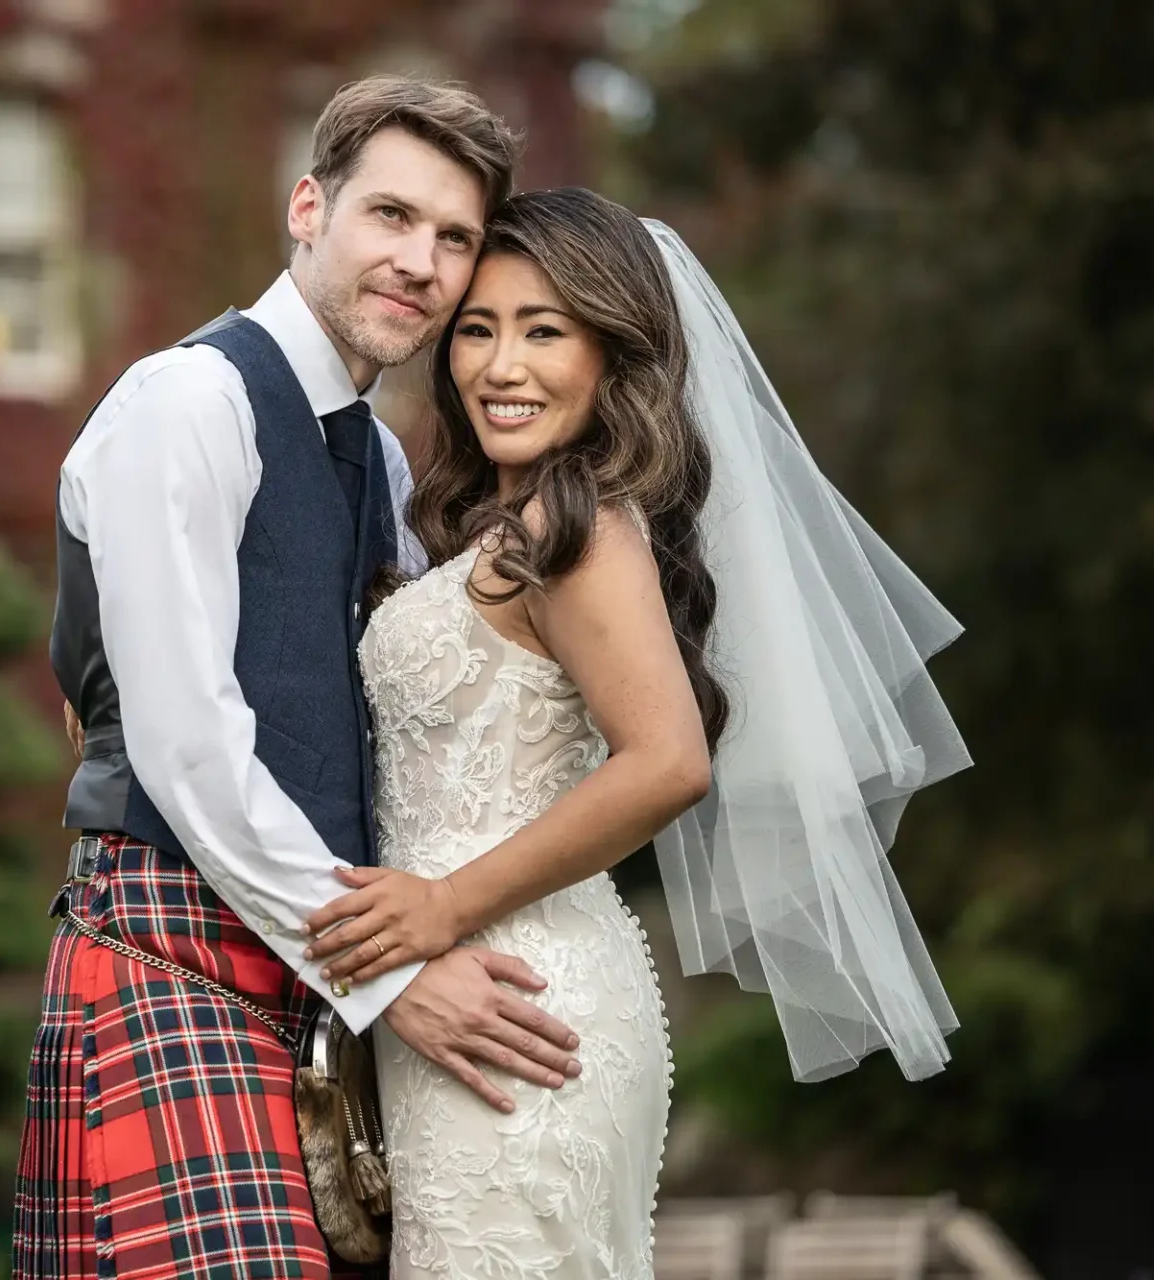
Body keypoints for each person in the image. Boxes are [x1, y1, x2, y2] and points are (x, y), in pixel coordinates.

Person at [300, 187, 971, 1276]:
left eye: (545, 331)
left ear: (613, 356)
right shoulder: (492, 524)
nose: (501, 366)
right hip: (463, 999)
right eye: (478, 329)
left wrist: (440, 909)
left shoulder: (580, 523)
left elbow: (668, 760)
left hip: (513, 994)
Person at [14, 77, 585, 1280]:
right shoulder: (187, 403)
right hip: (174, 948)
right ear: (308, 206)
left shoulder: (376, 456)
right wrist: (393, 974)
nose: (422, 263)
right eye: (391, 216)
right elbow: (187, 745)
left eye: (455, 239)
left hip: (314, 987)